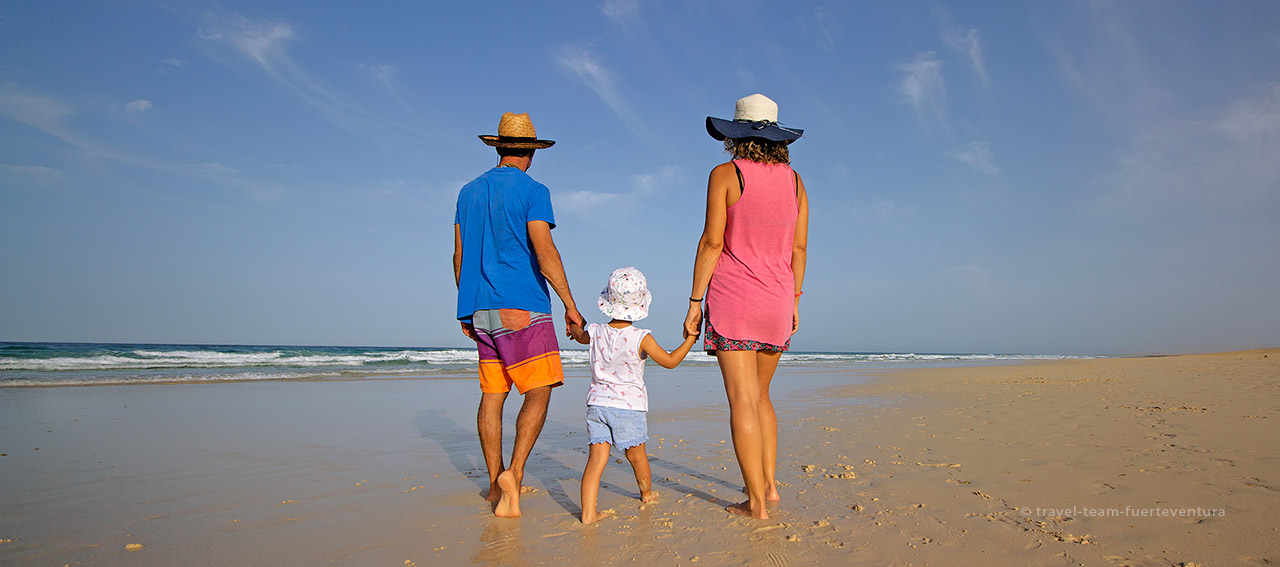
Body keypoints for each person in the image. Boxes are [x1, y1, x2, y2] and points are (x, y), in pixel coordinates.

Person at [683, 94, 809, 520]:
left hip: (735, 299)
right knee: (762, 398)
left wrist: (695, 301)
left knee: (741, 401)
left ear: (734, 135)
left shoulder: (725, 174)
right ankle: (770, 487)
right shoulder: (795, 183)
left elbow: (712, 242)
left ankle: (754, 503)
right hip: (777, 300)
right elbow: (799, 248)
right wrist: (793, 301)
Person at [454, 111, 585, 518]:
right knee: (539, 390)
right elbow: (544, 251)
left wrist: (466, 307)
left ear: (498, 148)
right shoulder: (533, 190)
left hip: (479, 309)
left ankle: (494, 486)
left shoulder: (467, 191)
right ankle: (514, 472)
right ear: (531, 151)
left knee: (493, 396)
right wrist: (570, 304)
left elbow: (459, 255)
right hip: (523, 306)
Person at [567, 267, 698, 524]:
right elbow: (670, 362)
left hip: (598, 404)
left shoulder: (594, 331)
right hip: (629, 408)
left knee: (596, 461)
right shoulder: (641, 338)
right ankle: (646, 494)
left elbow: (577, 333)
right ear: (640, 304)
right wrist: (690, 340)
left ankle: (588, 513)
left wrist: (572, 324)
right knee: (637, 457)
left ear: (608, 301)